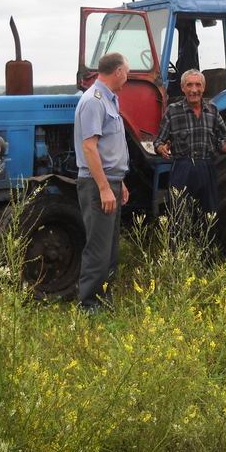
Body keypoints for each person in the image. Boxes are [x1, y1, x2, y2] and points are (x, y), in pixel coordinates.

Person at [73, 52, 130, 312]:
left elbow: (111, 147)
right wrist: (105, 187)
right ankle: (89, 305)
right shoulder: (93, 101)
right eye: (126, 72)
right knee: (98, 247)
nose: (127, 77)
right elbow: (90, 148)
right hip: (98, 186)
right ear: (117, 71)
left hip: (111, 182)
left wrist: (119, 182)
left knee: (109, 248)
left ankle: (104, 299)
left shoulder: (110, 100)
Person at [153, 69, 226, 214]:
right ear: (182, 88)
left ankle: (206, 237)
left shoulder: (213, 110)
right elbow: (159, 140)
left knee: (209, 216)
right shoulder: (173, 111)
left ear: (203, 87)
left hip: (206, 167)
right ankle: (180, 238)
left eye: (198, 85)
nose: (194, 90)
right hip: (182, 168)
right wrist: (161, 148)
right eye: (189, 85)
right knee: (179, 216)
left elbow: (221, 139)